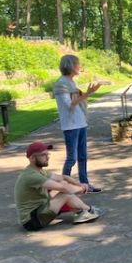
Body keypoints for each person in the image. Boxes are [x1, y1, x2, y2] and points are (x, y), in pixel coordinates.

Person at [14, 141, 103, 231]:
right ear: (32, 158)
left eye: (48, 154)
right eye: (43, 155)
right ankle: (88, 210)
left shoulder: (40, 171)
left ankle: (84, 211)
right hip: (32, 221)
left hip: (40, 209)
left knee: (64, 185)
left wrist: (81, 184)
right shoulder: (31, 176)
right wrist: (82, 188)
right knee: (65, 193)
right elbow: (62, 188)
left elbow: (63, 178)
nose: (47, 157)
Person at [54, 54, 102, 193]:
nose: (79, 67)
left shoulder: (71, 83)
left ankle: (85, 184)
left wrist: (88, 93)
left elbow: (76, 102)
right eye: (77, 64)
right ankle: (64, 187)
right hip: (70, 126)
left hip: (80, 124)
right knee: (72, 158)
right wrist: (88, 93)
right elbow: (70, 105)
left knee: (82, 157)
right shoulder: (61, 84)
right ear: (70, 66)